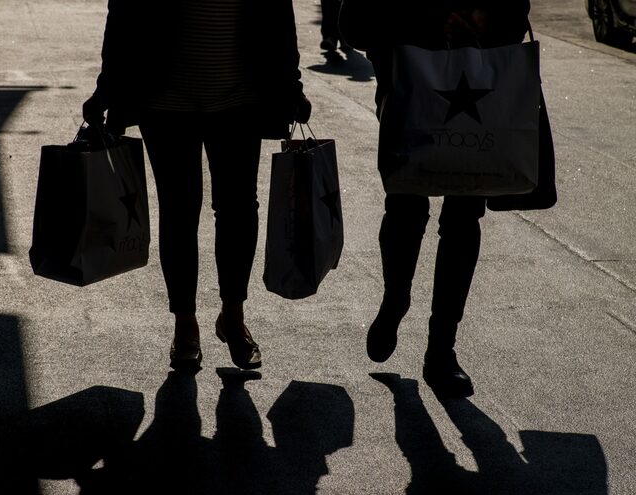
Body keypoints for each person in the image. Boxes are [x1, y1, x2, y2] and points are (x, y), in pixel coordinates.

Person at [83, 0, 311, 372]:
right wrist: (107, 90)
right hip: (165, 100)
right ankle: (185, 324)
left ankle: (232, 316)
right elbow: (125, 14)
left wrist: (291, 88)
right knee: (178, 210)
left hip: (240, 99)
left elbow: (278, 20)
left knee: (238, 208)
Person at [339, 1, 532, 397]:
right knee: (405, 202)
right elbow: (354, 23)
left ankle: (442, 345)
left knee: (464, 214)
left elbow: (515, 10)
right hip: (408, 78)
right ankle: (396, 297)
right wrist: (423, 22)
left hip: (476, 72)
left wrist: (483, 20)